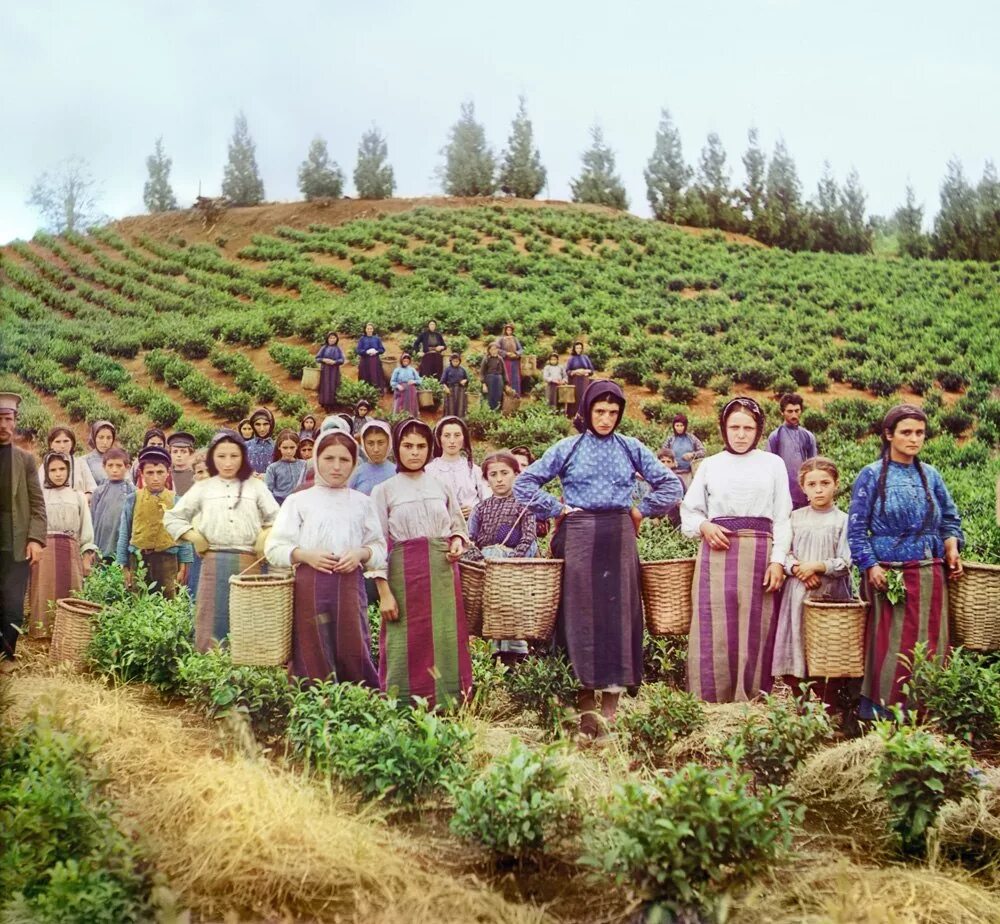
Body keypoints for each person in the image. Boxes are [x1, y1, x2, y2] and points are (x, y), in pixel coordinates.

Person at [514, 381, 683, 741]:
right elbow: (524, 483)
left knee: (617, 619)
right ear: (587, 411)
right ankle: (584, 705)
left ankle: (610, 711)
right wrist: (558, 508)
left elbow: (672, 486)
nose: (606, 419)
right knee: (580, 619)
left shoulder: (630, 447)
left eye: (613, 412)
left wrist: (641, 510)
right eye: (599, 411)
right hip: (578, 538)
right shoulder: (569, 447)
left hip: (619, 538)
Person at [848, 404, 964, 719]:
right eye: (906, 432)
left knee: (930, 642)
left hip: (930, 573)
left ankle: (928, 713)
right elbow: (856, 530)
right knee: (891, 645)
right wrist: (870, 565)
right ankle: (882, 716)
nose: (914, 439)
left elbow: (950, 519)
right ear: (889, 435)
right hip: (889, 575)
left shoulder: (931, 475)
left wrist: (952, 545)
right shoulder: (871, 475)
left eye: (920, 433)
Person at [681, 397, 792, 703]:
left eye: (748, 427)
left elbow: (782, 517)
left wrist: (778, 562)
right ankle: (710, 699)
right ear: (723, 429)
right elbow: (689, 511)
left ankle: (752, 698)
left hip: (759, 555)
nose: (741, 434)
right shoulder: (710, 465)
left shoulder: (773, 464)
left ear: (758, 431)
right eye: (734, 427)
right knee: (714, 624)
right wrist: (705, 527)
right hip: (717, 554)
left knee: (756, 625)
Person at [265, 428, 386, 685]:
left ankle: (357, 702)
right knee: (312, 645)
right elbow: (274, 547)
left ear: (354, 464)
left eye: (344, 460)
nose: (336, 467)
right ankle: (313, 704)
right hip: (310, 586)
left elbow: (378, 547)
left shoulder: (362, 502)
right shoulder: (299, 501)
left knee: (352, 644)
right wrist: (305, 555)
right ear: (317, 459)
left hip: (350, 586)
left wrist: (360, 554)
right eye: (329, 458)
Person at [370, 419, 472, 708]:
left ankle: (449, 703)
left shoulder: (441, 485)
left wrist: (456, 543)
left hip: (442, 574)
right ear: (397, 448)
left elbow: (458, 526)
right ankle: (402, 705)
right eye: (407, 446)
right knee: (404, 641)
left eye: (421, 446)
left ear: (430, 449)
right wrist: (384, 591)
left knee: (445, 637)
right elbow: (377, 544)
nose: (414, 452)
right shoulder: (384, 490)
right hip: (404, 575)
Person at [164, 430, 279, 651]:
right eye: (221, 456)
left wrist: (265, 536)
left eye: (234, 456)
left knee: (245, 623)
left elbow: (277, 518)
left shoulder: (256, 487)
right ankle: (207, 674)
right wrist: (194, 536)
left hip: (249, 564)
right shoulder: (203, 488)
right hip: (213, 563)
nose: (227, 463)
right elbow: (173, 517)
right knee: (209, 620)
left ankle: (242, 677)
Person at [773, 457, 853, 708]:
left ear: (836, 484)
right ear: (803, 487)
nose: (819, 489)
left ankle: (830, 706)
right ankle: (801, 706)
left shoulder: (843, 520)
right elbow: (783, 552)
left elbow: (846, 560)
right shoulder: (794, 518)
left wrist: (818, 566)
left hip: (830, 596)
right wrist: (797, 568)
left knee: (827, 650)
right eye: (812, 484)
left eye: (825, 483)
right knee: (797, 645)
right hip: (798, 594)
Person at [467, 452, 536, 666]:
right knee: (493, 610)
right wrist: (480, 559)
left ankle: (515, 656)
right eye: (493, 474)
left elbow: (528, 535)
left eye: (505, 473)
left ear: (516, 474)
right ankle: (493, 656)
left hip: (515, 568)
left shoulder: (524, 504)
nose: (499, 479)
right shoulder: (481, 507)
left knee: (513, 608)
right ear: (486, 479)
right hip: (487, 567)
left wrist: (512, 560)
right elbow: (470, 538)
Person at [0, 392, 46, 673]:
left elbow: (38, 503)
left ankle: (6, 656)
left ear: (15, 422)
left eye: (7, 419)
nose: (2, 425)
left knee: (13, 601)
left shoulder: (26, 461)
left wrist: (36, 539)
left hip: (16, 543)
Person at [31, 452, 98, 637]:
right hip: (45, 550)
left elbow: (86, 527)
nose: (58, 473)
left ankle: (69, 633)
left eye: (62, 469)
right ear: (46, 471)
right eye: (52, 470)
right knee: (43, 591)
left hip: (70, 549)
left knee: (71, 590)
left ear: (68, 470)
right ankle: (42, 632)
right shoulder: (39, 496)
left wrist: (86, 556)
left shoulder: (77, 496)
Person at [116, 446, 192, 599]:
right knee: (139, 601)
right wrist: (124, 566)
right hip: (138, 560)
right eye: (150, 473)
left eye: (160, 472)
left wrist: (183, 567)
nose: (155, 478)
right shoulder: (133, 499)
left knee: (168, 603)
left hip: (168, 561)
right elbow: (124, 533)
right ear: (142, 474)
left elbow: (184, 536)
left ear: (167, 474)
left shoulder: (176, 500)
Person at [425, 416, 489, 519]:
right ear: (439, 438)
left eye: (457, 435)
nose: (452, 441)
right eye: (447, 435)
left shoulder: (473, 470)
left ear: (464, 438)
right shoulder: (429, 471)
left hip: (472, 526)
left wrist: (475, 510)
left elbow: (488, 499)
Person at [767, 393, 819, 510]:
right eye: (790, 411)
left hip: (804, 493)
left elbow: (814, 466)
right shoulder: (776, 436)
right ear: (782, 412)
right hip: (783, 493)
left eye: (797, 410)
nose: (794, 415)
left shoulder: (808, 436)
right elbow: (770, 468)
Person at [90, 448, 135, 562]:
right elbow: (92, 519)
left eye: (119, 466)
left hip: (123, 543)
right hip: (101, 543)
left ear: (127, 467)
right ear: (104, 467)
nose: (114, 470)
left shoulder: (133, 491)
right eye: (110, 465)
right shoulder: (98, 492)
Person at [42, 426, 97, 499]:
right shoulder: (45, 466)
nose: (62, 446)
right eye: (57, 442)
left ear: (72, 443)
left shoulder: (80, 463)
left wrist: (81, 500)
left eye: (66, 441)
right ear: (51, 444)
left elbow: (93, 490)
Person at [510, 446, 549, 539]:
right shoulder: (494, 490)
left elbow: (543, 530)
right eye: (515, 464)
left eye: (523, 465)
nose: (519, 469)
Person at [348, 420, 396, 496]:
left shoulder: (397, 473)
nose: (376, 449)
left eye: (381, 443)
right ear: (363, 444)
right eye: (370, 443)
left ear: (389, 443)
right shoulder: (356, 473)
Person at [659, 414, 706, 489]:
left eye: (681, 425)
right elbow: (662, 453)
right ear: (674, 426)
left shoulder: (691, 438)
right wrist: (671, 463)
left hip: (688, 473)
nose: (679, 428)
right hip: (673, 473)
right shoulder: (670, 439)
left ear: (685, 426)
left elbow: (703, 451)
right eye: (677, 425)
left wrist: (693, 454)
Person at [264, 429, 307, 504]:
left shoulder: (304, 465)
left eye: (292, 447)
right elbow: (268, 491)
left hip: (301, 505)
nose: (289, 451)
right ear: (279, 447)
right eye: (285, 448)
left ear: (297, 446)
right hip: (280, 506)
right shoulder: (272, 468)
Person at [316, 331, 346, 413]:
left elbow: (342, 360)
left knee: (334, 385)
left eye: (334, 338)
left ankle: (333, 404)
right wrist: (324, 360)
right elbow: (317, 358)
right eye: (330, 338)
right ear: (327, 339)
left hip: (334, 371)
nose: (332, 340)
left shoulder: (338, 349)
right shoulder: (324, 348)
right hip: (325, 370)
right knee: (325, 386)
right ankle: (325, 404)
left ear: (336, 339)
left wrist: (335, 362)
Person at [564, 341, 595, 420]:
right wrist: (575, 371)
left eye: (580, 348)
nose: (579, 349)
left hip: (584, 381)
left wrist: (587, 372)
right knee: (575, 396)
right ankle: (573, 414)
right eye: (577, 348)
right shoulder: (571, 359)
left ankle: (583, 415)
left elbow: (591, 370)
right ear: (574, 349)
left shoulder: (585, 357)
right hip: (575, 381)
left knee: (584, 396)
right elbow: (567, 371)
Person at [83, 419, 118, 486]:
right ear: (94, 438)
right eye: (101, 437)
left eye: (109, 438)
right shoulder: (85, 461)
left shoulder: (119, 459)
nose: (105, 442)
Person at [356, 322, 387, 394]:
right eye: (368, 329)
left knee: (376, 375)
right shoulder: (362, 339)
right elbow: (358, 350)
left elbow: (382, 349)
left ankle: (377, 392)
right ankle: (365, 392)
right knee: (365, 375)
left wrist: (376, 351)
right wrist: (366, 352)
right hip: (365, 361)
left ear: (373, 330)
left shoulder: (377, 339)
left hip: (375, 360)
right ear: (365, 330)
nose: (369, 330)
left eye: (371, 329)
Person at [493, 323, 523, 396]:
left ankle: (516, 396)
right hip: (505, 361)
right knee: (507, 378)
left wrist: (516, 353)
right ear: (505, 330)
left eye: (510, 330)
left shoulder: (515, 339)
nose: (509, 331)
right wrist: (506, 353)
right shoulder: (500, 339)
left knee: (515, 379)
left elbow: (521, 349)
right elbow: (496, 348)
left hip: (515, 362)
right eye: (507, 330)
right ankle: (505, 396)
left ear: (512, 331)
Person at [246, 407, 276, 475]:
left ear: (271, 425)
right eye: (258, 424)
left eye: (266, 424)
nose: (262, 429)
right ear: (253, 426)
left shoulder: (278, 447)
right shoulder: (245, 446)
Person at [479, 343, 509, 411]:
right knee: (489, 398)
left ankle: (497, 413)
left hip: (499, 381)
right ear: (489, 350)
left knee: (498, 397)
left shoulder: (500, 359)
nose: (494, 351)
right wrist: (484, 384)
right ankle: (487, 413)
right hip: (489, 381)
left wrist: (506, 383)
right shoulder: (486, 359)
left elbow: (504, 372)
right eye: (492, 349)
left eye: (495, 349)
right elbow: (481, 372)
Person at [167, 431, 197, 497]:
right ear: (170, 453)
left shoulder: (197, 475)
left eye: (183, 452)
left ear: (190, 453)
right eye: (175, 452)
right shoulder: (166, 475)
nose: (179, 455)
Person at [440, 354, 469, 419]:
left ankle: (460, 420)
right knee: (450, 407)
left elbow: (466, 379)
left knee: (460, 406)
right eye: (454, 361)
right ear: (451, 361)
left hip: (460, 390)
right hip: (450, 389)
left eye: (457, 361)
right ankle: (449, 420)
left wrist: (465, 381)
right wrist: (446, 388)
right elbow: (442, 381)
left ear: (459, 361)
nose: (455, 362)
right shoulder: (447, 369)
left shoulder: (462, 369)